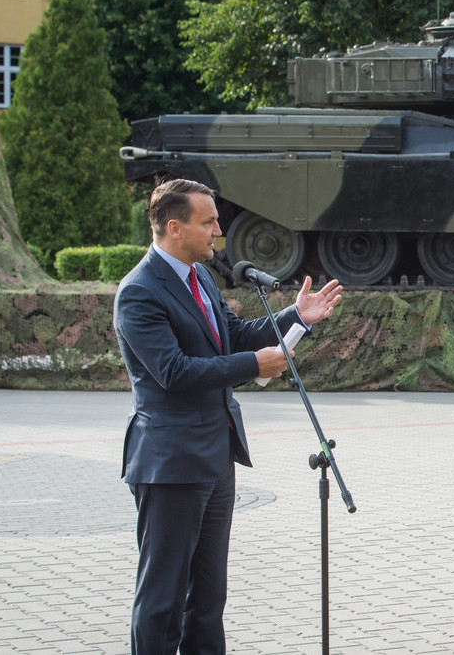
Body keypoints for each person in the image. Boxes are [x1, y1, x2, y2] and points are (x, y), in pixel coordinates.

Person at [113, 178, 342, 654]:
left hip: (216, 456)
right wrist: (255, 366)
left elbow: (233, 335)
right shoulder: (139, 292)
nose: (219, 230)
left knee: (208, 597)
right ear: (175, 228)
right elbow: (174, 372)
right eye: (209, 221)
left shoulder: (200, 278)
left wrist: (294, 316)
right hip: (171, 463)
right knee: (163, 600)